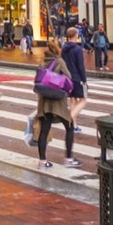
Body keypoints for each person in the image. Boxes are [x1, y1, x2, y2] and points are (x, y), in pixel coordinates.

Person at [35, 40, 80, 169]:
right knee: (70, 126)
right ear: (57, 49)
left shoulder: (42, 63)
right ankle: (68, 158)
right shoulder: (59, 62)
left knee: (44, 130)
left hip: (44, 101)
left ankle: (42, 161)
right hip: (57, 101)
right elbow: (68, 76)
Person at [61, 27, 89, 132]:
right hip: (77, 78)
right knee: (83, 100)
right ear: (76, 35)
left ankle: (74, 126)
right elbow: (80, 66)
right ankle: (70, 117)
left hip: (67, 78)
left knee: (73, 99)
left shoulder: (64, 48)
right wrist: (84, 79)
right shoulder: (77, 49)